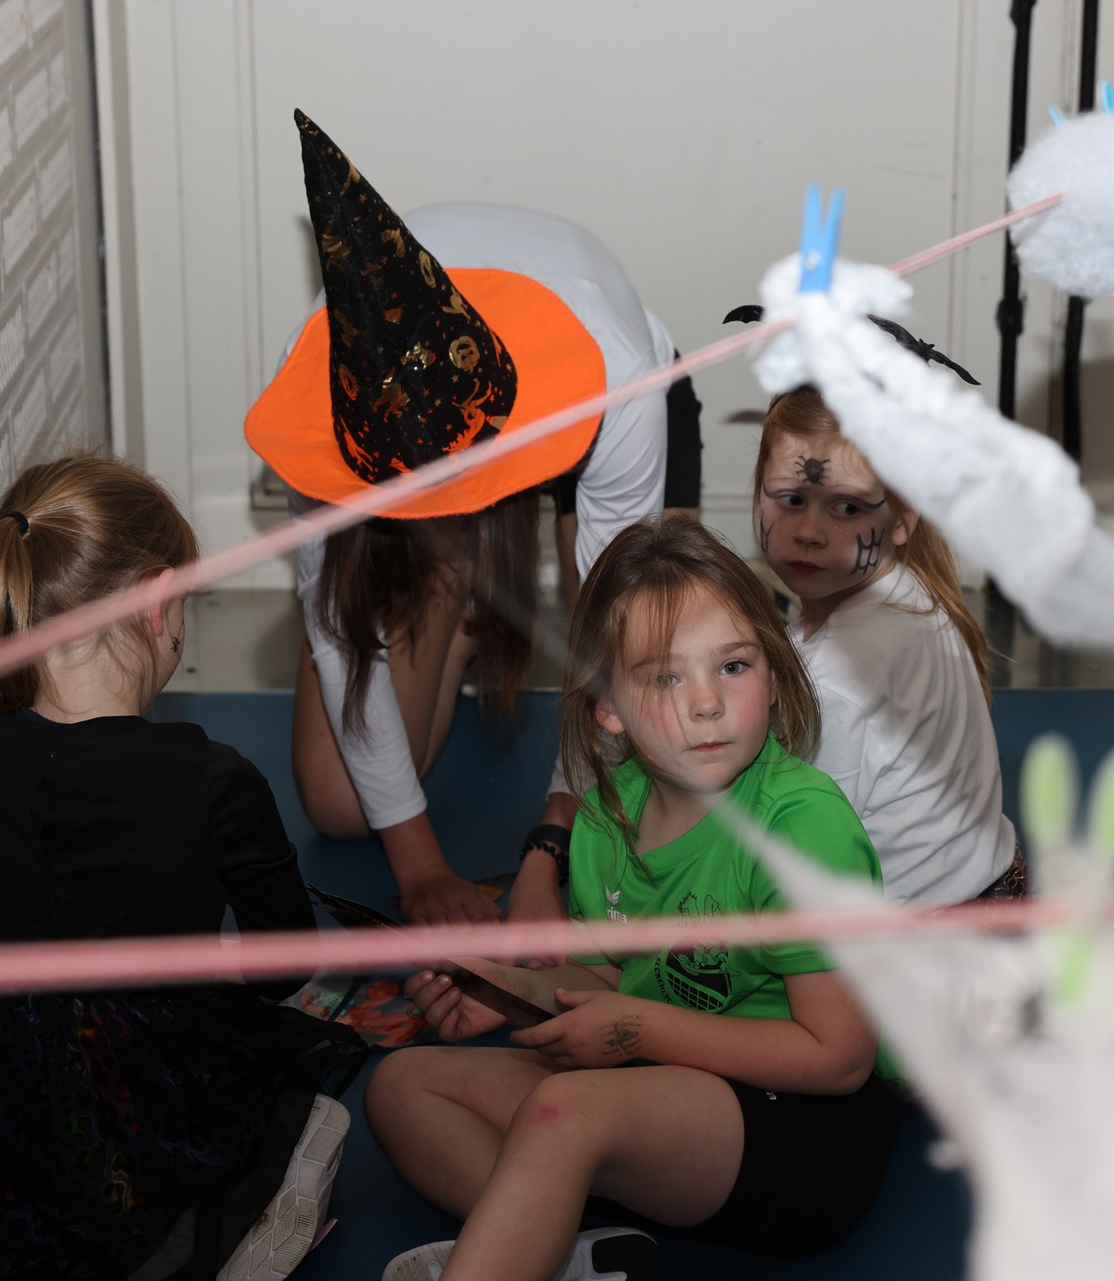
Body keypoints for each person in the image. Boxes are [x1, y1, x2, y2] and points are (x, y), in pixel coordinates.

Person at [369, 518, 901, 1281]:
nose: (707, 703)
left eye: (733, 665)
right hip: (656, 1083)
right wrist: (508, 989)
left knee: (565, 1112)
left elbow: (842, 1058)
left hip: (805, 1125)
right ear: (608, 706)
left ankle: (531, 1228)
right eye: (664, 678)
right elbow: (614, 974)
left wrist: (635, 1028)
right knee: (402, 1085)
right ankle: (567, 1252)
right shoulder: (602, 818)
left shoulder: (801, 826)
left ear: (775, 670)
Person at [0, 455, 366, 1280]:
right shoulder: (212, 781)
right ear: (155, 600)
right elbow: (282, 965)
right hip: (134, 1089)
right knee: (302, 1090)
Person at [246, 111, 701, 928]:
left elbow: (617, 630)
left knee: (654, 681)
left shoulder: (621, 381)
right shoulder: (311, 399)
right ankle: (466, 601)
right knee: (342, 802)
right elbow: (334, 630)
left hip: (592, 393)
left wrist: (552, 844)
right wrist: (420, 867)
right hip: (442, 443)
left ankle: (480, 574)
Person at [730, 308, 1025, 906]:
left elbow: (811, 858)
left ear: (903, 517)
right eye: (790, 499)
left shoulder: (838, 678)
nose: (809, 532)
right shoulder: (909, 591)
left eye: (846, 508)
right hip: (992, 884)